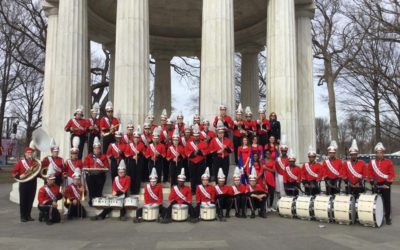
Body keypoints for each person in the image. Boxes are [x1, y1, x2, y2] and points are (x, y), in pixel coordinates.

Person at [368, 142, 395, 225]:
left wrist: (387, 183)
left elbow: (392, 174)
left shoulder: (389, 162)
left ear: (383, 153)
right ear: (375, 153)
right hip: (376, 184)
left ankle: (387, 217)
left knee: (387, 201)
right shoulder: (371, 163)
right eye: (377, 153)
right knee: (375, 201)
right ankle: (376, 216)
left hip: (385, 184)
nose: (379, 154)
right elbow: (369, 174)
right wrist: (372, 183)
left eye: (381, 152)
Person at [11, 142, 38, 222]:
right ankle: (23, 216)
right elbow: (14, 172)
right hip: (24, 183)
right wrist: (19, 176)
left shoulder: (35, 162)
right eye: (28, 153)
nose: (30, 154)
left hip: (33, 183)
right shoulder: (20, 162)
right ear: (25, 154)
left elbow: (38, 172)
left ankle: (28, 215)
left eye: (31, 153)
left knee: (30, 200)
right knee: (23, 200)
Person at [83, 137, 109, 206]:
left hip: (100, 175)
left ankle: (98, 199)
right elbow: (85, 166)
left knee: (100, 182)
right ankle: (91, 199)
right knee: (89, 181)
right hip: (91, 175)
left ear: (100, 149)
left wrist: (101, 169)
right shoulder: (89, 157)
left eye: (98, 148)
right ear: (93, 149)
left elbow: (107, 167)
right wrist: (89, 169)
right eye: (95, 148)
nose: (97, 150)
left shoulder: (103, 157)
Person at [185, 125, 209, 194]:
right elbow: (186, 152)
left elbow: (206, 151)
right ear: (193, 136)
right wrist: (193, 153)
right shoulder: (189, 143)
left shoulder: (203, 143)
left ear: (199, 136)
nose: (196, 137)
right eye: (195, 136)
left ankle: (199, 190)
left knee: (200, 176)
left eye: (197, 136)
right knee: (192, 177)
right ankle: (193, 190)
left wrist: (199, 152)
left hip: (201, 161)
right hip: (192, 161)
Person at [124, 126, 145, 194]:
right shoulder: (129, 145)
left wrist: (140, 153)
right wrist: (132, 157)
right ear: (133, 138)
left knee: (138, 176)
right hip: (131, 163)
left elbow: (145, 153)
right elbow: (126, 154)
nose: (136, 139)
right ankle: (132, 190)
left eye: (137, 138)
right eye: (135, 138)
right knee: (132, 176)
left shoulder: (141, 145)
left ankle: (137, 190)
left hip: (139, 162)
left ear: (139, 138)